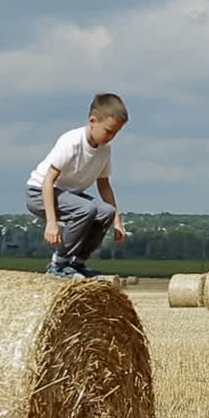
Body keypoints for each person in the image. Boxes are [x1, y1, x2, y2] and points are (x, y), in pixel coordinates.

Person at [25, 93, 129, 279]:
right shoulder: (72, 142)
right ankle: (58, 265)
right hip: (39, 193)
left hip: (68, 196)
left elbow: (104, 185)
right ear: (92, 121)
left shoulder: (104, 150)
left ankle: (77, 263)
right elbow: (48, 181)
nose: (111, 137)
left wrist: (117, 220)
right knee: (86, 208)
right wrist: (51, 222)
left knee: (106, 211)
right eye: (108, 131)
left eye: (116, 133)